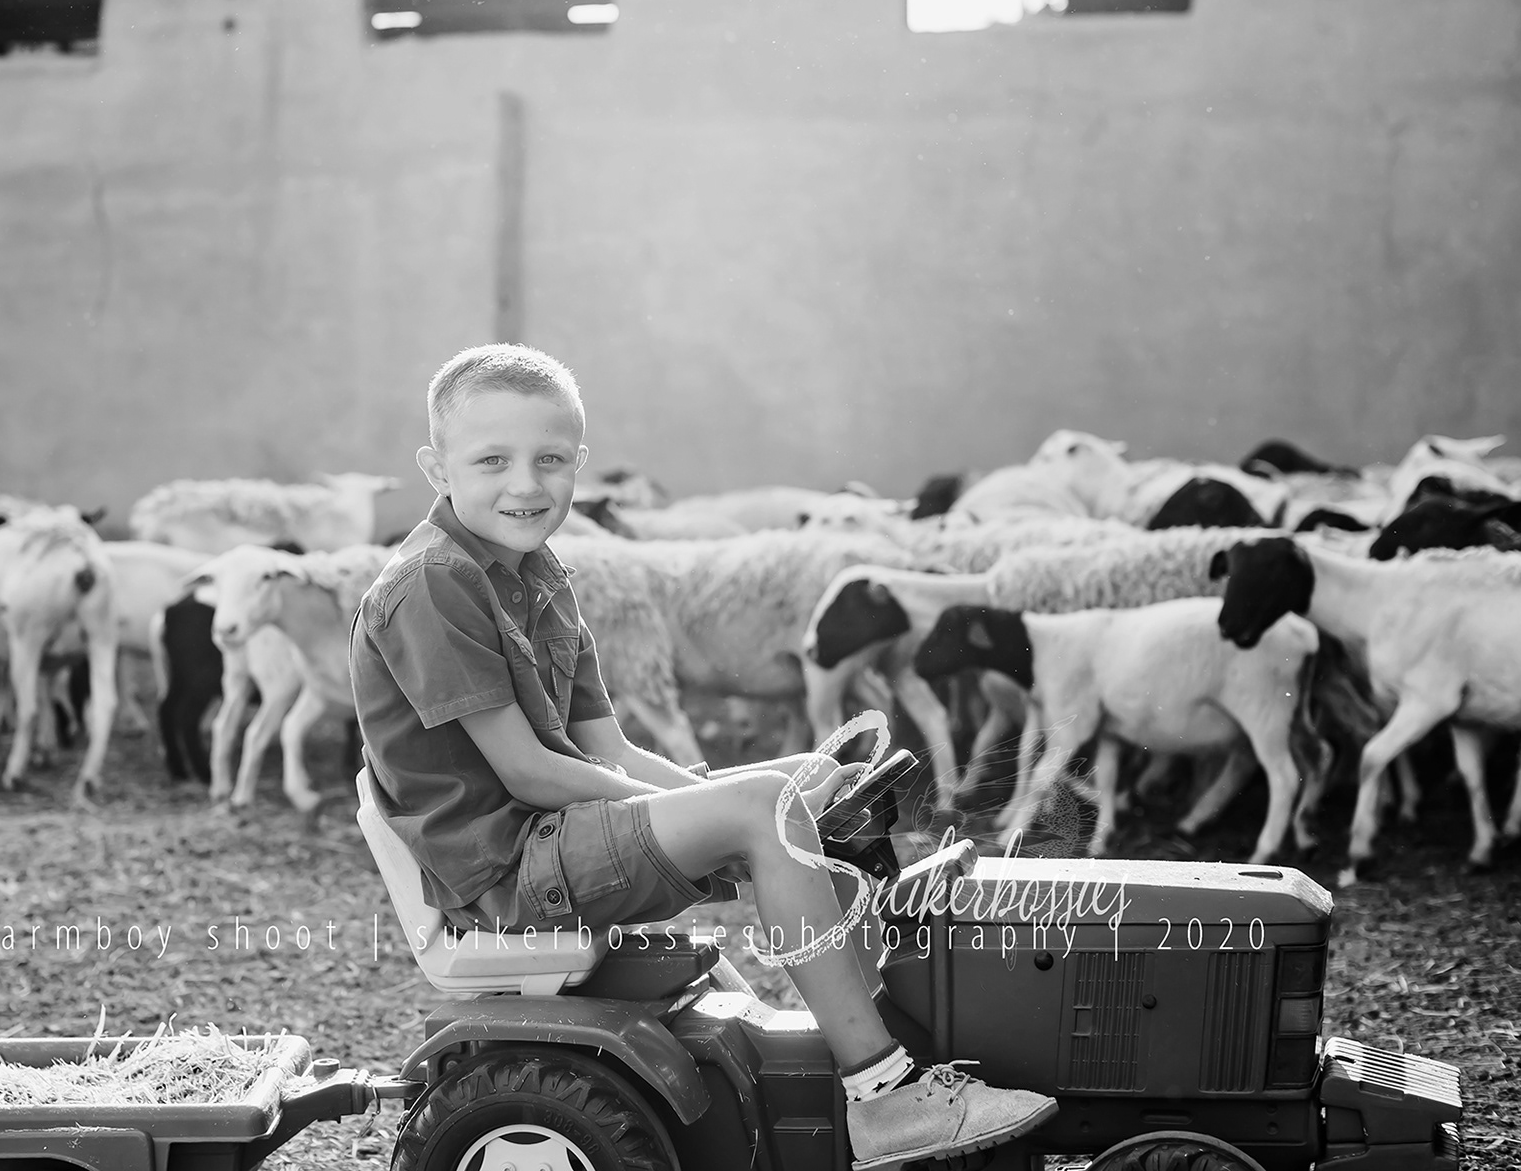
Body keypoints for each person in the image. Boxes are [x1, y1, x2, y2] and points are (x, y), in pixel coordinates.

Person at [349, 343, 1057, 1170]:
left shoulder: (539, 573)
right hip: (507, 869)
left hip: (553, 834)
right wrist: (731, 816)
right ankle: (885, 1097)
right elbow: (528, 774)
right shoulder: (435, 583)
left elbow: (605, 747)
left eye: (549, 460)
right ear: (437, 467)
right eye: (492, 461)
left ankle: (887, 1032)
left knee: (791, 786)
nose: (526, 485)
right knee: (763, 807)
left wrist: (749, 799)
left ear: (580, 462)